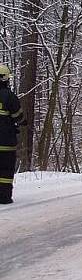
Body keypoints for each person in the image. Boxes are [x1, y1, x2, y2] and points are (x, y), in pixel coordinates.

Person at [0, 64, 24, 204]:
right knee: (5, 171)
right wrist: (23, 122)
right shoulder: (9, 96)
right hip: (6, 142)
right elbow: (19, 116)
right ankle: (4, 197)